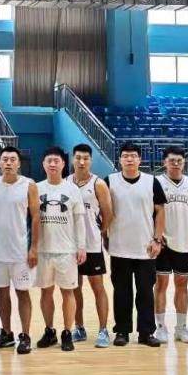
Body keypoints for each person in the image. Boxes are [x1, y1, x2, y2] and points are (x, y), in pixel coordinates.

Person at [104, 142, 166, 347]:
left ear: (140, 159)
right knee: (121, 292)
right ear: (120, 160)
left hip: (145, 248)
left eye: (133, 156)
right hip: (119, 247)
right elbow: (103, 211)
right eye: (125, 156)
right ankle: (122, 331)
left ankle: (146, 333)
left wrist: (157, 239)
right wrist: (105, 237)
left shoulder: (151, 181)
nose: (129, 159)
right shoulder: (110, 181)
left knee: (146, 293)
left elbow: (160, 211)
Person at [0, 147, 40, 354]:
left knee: (22, 293)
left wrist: (34, 248)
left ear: (18, 164)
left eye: (12, 159)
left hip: (20, 252)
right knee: (1, 292)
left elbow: (36, 217)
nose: (8, 163)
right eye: (5, 159)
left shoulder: (29, 185)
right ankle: (7, 333)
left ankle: (25, 335)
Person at [34, 147, 87, 352]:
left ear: (63, 164)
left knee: (68, 292)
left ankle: (67, 332)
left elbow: (79, 220)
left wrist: (81, 246)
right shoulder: (36, 188)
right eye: (49, 161)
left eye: (56, 161)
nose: (53, 164)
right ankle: (50, 331)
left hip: (67, 251)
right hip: (43, 251)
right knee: (46, 292)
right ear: (43, 164)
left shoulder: (72, 189)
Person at [69, 144, 111, 348]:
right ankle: (79, 327)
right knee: (74, 288)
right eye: (78, 158)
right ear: (72, 159)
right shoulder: (65, 182)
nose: (82, 162)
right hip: (70, 246)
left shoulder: (98, 184)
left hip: (92, 245)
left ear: (91, 160)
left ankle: (103, 329)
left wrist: (100, 232)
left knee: (97, 287)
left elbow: (108, 214)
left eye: (85, 158)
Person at [154, 146, 188, 344]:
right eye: (171, 160)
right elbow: (151, 211)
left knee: (182, 285)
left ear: (184, 163)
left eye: (179, 160)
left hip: (184, 242)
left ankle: (181, 327)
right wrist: (155, 236)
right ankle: (160, 327)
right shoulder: (156, 182)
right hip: (163, 243)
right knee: (161, 285)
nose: (175, 163)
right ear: (164, 162)